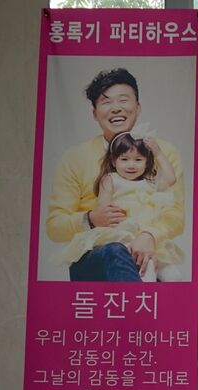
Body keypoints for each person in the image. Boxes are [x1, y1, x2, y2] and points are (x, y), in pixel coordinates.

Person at [45, 68, 185, 281]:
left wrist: (149, 234)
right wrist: (91, 219)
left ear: (138, 107)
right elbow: (55, 226)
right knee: (116, 251)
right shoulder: (75, 158)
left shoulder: (163, 152)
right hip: (97, 253)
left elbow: (176, 214)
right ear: (94, 113)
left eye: (123, 100)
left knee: (170, 274)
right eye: (106, 102)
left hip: (149, 249)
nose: (116, 108)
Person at [52, 130, 184, 281]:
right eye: (124, 159)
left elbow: (170, 178)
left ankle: (167, 291)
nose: (131, 165)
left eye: (138, 160)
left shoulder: (150, 181)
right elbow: (104, 209)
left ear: (147, 162)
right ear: (114, 161)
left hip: (145, 236)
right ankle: (143, 291)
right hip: (123, 232)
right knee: (146, 269)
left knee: (173, 275)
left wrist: (158, 153)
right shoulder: (110, 179)